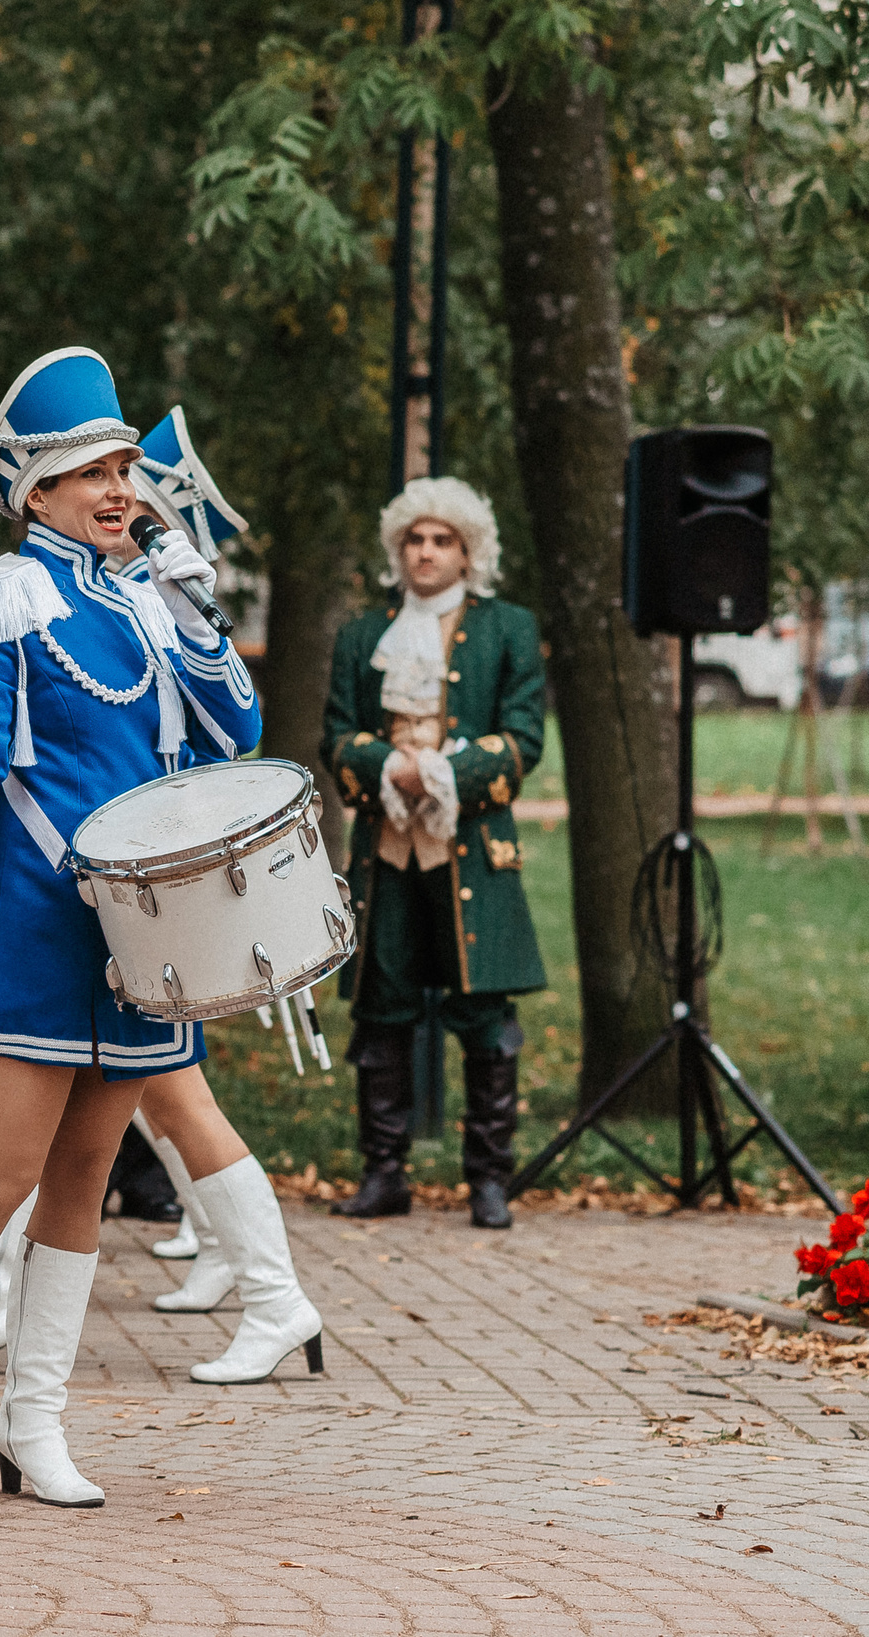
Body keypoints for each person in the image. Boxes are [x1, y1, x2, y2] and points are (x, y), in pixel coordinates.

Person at [0, 349, 275, 1517]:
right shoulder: (0, 593)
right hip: (31, 916)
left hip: (136, 931)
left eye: (124, 467)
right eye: (93, 472)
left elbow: (236, 732)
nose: (120, 488)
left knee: (84, 1176)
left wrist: (194, 605)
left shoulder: (146, 596)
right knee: (1, 1170)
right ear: (36, 491)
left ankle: (31, 1420)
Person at [322, 476, 548, 1230]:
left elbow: (523, 740)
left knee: (484, 1015)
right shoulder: (363, 635)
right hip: (386, 854)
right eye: (414, 539)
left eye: (441, 540)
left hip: (472, 854)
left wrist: (444, 774)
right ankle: (383, 1174)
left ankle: (488, 1179)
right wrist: (390, 767)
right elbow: (337, 735)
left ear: (467, 551)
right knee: (380, 1012)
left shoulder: (509, 629)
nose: (425, 552)